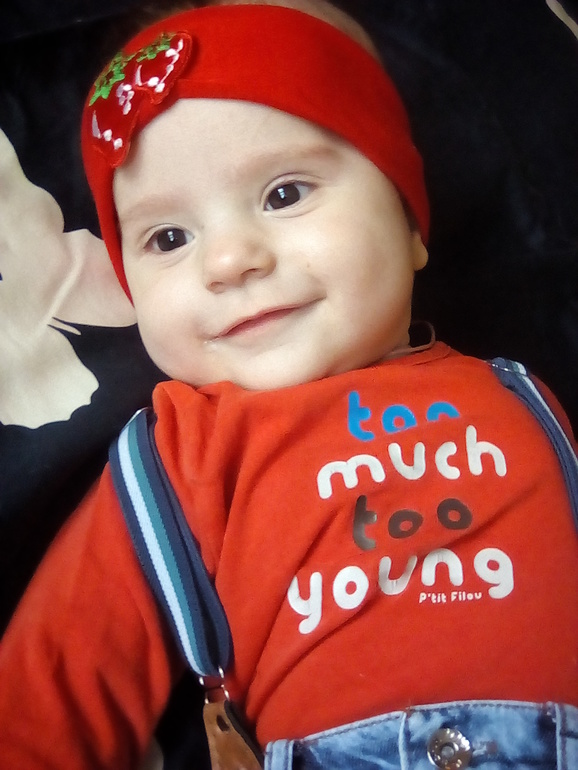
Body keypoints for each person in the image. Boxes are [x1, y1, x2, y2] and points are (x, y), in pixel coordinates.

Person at [0, 1, 576, 767]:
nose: (229, 260)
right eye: (169, 237)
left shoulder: (521, 395)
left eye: (284, 194)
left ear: (409, 224)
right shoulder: (177, 455)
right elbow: (47, 697)